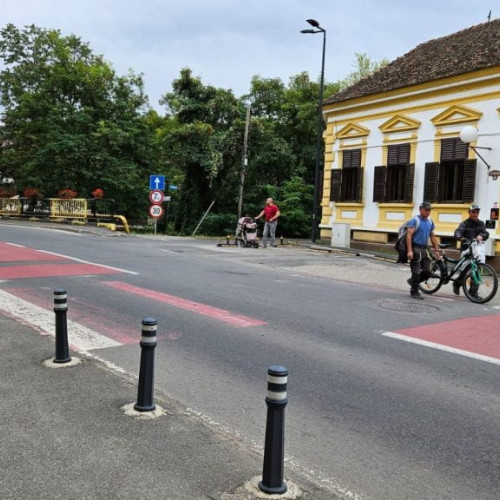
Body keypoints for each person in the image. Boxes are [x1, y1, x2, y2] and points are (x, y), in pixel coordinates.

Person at [452, 204, 489, 295]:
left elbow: (486, 233)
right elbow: (458, 231)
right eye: (473, 212)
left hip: (477, 250)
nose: (475, 214)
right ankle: (457, 283)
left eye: (477, 212)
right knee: (464, 270)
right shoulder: (465, 223)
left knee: (476, 269)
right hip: (466, 249)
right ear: (469, 212)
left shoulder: (481, 223)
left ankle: (473, 292)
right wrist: (460, 237)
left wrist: (482, 236)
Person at [406, 202, 441, 300]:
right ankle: (414, 291)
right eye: (426, 210)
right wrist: (409, 251)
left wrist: (436, 250)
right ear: (420, 209)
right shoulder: (414, 221)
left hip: (425, 248)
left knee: (428, 271)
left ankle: (413, 281)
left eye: (429, 210)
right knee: (416, 271)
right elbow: (409, 236)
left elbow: (432, 236)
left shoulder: (430, 222)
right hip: (415, 248)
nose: (428, 212)